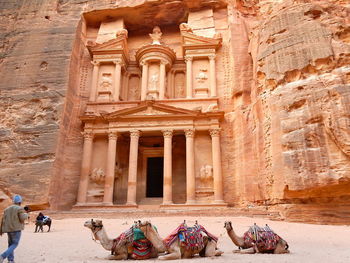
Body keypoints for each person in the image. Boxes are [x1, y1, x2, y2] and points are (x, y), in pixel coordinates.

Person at [0, 194, 28, 263]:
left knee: (10, 244)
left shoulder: (7, 209)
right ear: (20, 202)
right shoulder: (19, 208)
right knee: (15, 244)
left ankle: (11, 260)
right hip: (16, 230)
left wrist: (1, 230)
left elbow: (3, 220)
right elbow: (22, 218)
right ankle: (2, 256)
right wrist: (26, 214)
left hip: (9, 230)